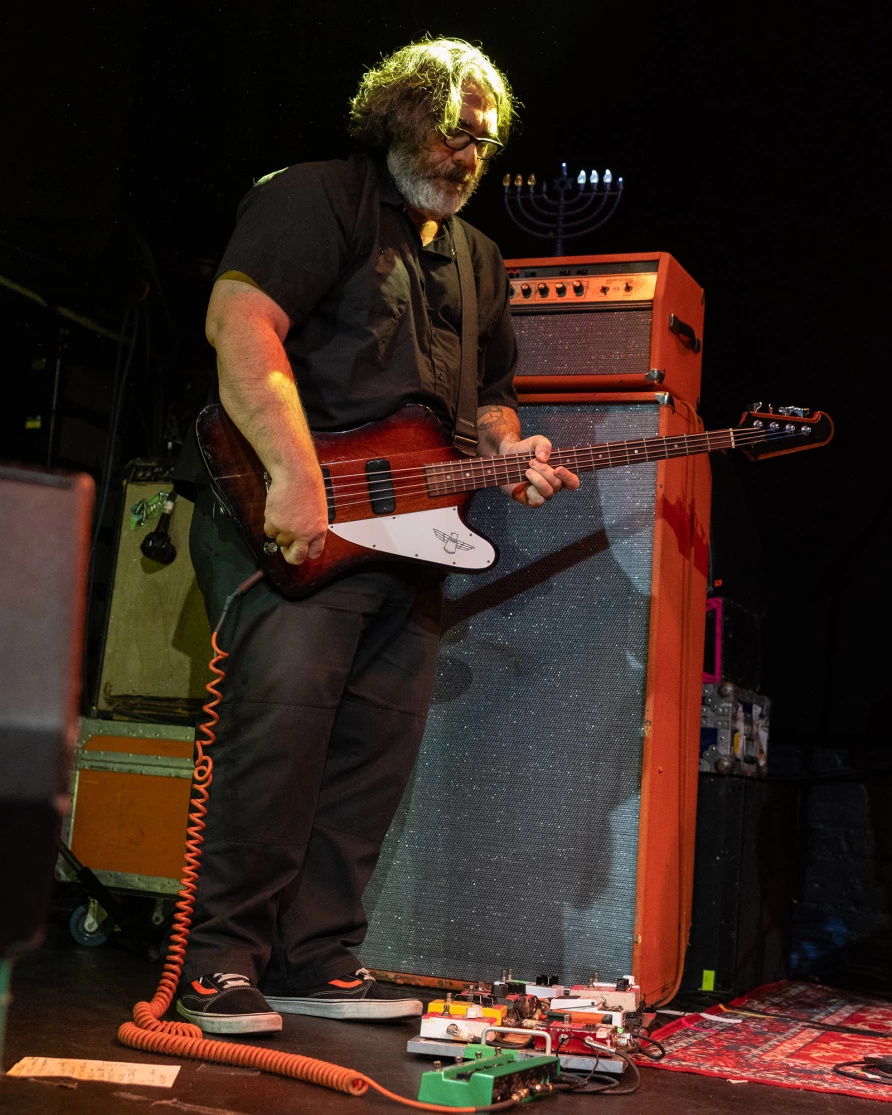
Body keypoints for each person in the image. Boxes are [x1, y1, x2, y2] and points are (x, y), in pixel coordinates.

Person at [172, 37, 580, 1035]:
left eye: (481, 146)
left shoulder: (480, 258)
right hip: (291, 519)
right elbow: (242, 324)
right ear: (399, 117)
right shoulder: (318, 198)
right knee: (280, 736)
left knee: (370, 753)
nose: (466, 159)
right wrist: (296, 476)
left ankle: (313, 957)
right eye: (452, 136)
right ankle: (218, 960)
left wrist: (509, 448)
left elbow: (484, 401)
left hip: (412, 542)